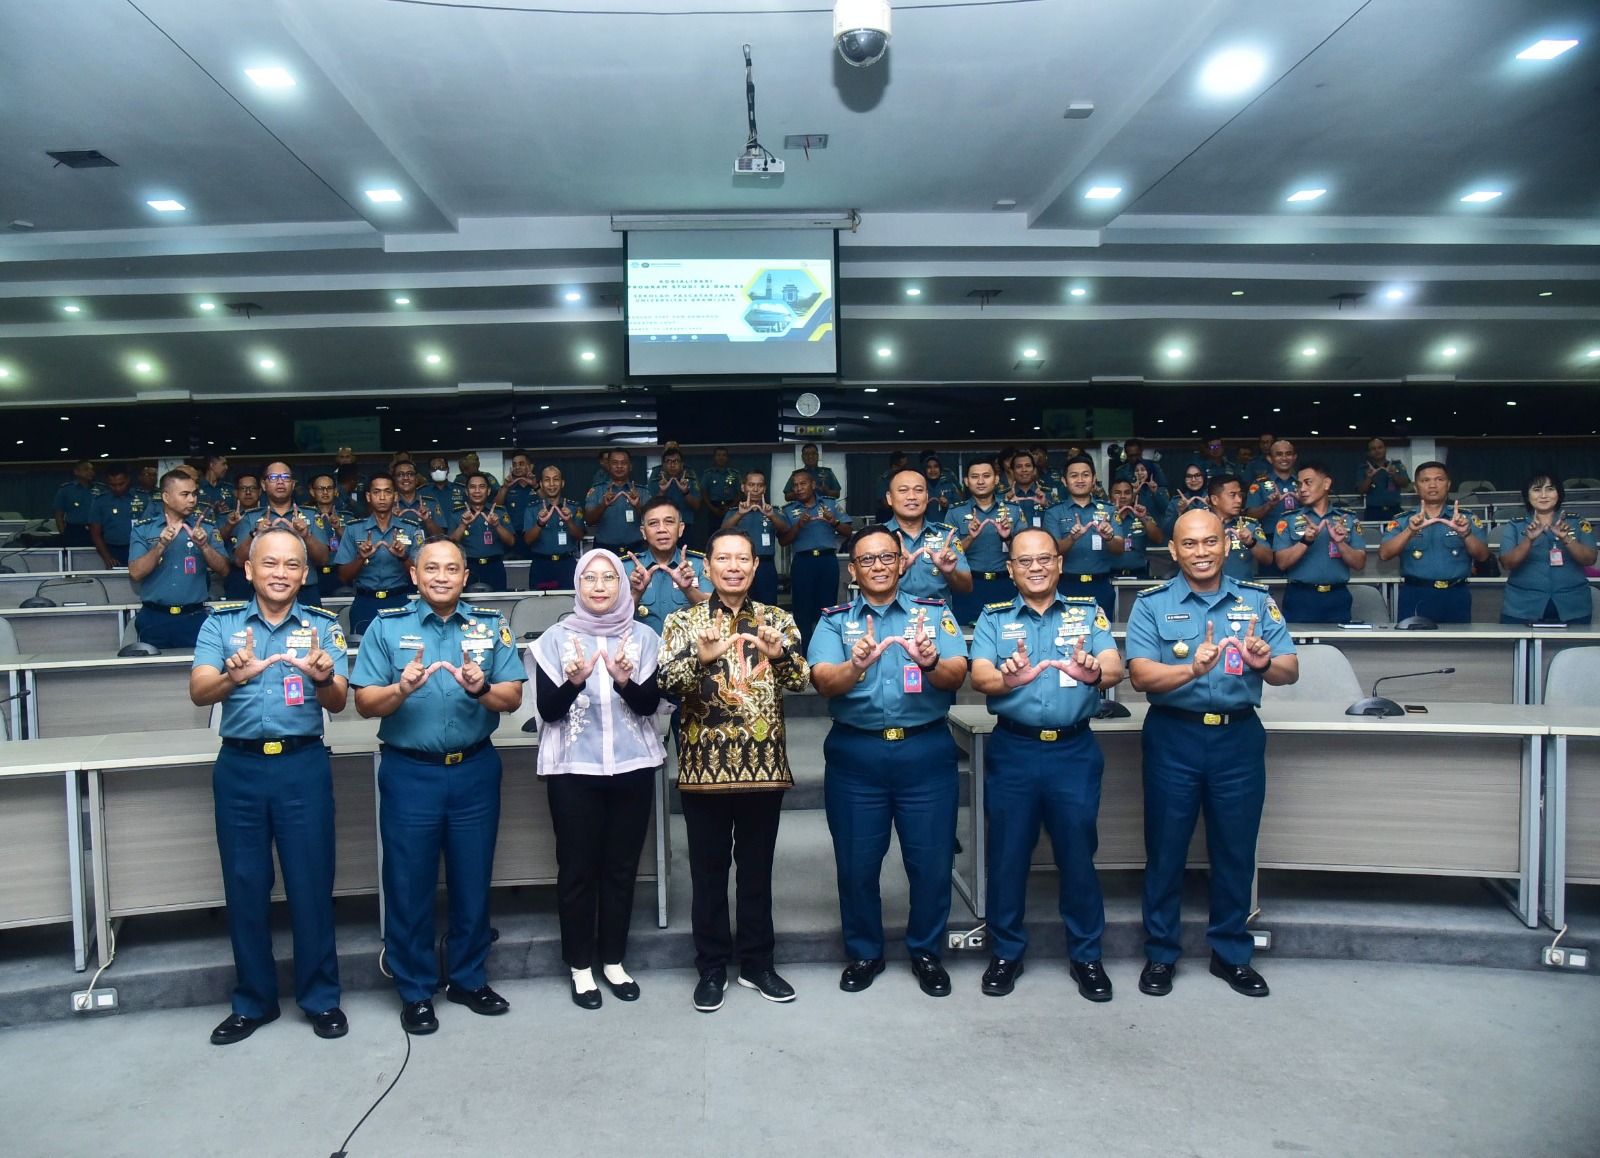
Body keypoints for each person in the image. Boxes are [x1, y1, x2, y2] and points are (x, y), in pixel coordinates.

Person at [351, 537, 526, 1034]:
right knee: (409, 884)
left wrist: (483, 688)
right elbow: (365, 704)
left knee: (473, 879)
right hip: (411, 773)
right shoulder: (386, 628)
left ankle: (469, 978)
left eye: (452, 569)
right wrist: (401, 688)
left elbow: (512, 698)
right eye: (432, 568)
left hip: (474, 769)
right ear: (414, 575)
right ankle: (414, 988)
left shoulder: (490, 626)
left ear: (465, 576)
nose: (442, 577)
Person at [1126, 509, 1298, 999]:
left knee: (1235, 849)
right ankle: (1160, 953)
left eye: (1210, 542)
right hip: (1173, 737)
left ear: (1227, 546)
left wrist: (1265, 664)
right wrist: (1191, 671)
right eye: (1189, 544)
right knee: (1165, 850)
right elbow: (1139, 676)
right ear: (1174, 550)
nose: (1200, 552)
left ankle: (1231, 953)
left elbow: (1289, 668)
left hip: (1238, 738)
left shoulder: (1257, 600)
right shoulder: (1151, 604)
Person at [189, 528, 349, 1045]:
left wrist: (324, 677)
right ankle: (254, 1001)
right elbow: (198, 692)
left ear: (305, 574)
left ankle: (321, 998)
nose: (280, 573)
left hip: (302, 766)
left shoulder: (324, 626)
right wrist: (234, 677)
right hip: (239, 769)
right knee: (245, 886)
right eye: (270, 564)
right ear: (250, 570)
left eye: (291, 565)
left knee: (310, 885)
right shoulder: (221, 624)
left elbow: (339, 702)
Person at [809, 526, 969, 998]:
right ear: (853, 571)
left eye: (886, 557)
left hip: (925, 751)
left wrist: (930, 661)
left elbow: (957, 673)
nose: (878, 566)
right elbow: (822, 681)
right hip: (857, 754)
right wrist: (854, 666)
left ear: (902, 563)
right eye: (866, 560)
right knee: (857, 863)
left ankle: (926, 950)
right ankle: (865, 951)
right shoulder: (835, 621)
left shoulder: (933, 614)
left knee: (932, 861)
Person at [968, 528, 1124, 999]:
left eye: (1044, 559)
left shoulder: (1087, 612)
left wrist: (1094, 673)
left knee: (1077, 854)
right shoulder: (993, 618)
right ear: (1010, 568)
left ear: (1059, 563)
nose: (1035, 567)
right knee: (1008, 855)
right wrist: (1006, 679)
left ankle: (1086, 956)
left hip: (1073, 752)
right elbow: (979, 677)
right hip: (1014, 751)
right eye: (1024, 561)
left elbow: (1116, 668)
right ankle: (1006, 953)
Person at [660, 528, 810, 1012]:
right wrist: (699, 659)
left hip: (763, 766)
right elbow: (665, 684)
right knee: (707, 874)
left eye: (742, 559)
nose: (732, 567)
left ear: (755, 566)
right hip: (704, 768)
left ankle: (758, 964)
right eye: (722, 558)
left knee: (756, 872)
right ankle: (710, 967)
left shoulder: (777, 619)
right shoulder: (683, 621)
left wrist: (778, 654)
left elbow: (801, 680)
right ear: (708, 568)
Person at [527, 549, 663, 1009]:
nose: (600, 586)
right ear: (577, 586)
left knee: (621, 870)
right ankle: (580, 966)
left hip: (632, 768)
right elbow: (547, 711)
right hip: (574, 772)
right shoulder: (555, 640)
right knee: (578, 870)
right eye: (591, 578)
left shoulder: (645, 637)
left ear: (623, 585)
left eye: (610, 577)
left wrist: (624, 680)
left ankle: (613, 960)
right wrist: (575, 681)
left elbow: (648, 707)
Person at [127, 470, 232, 648]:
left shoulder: (205, 528)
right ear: (166, 497)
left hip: (194, 617)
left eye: (194, 494)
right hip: (154, 618)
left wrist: (204, 546)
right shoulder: (144, 529)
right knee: (149, 674)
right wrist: (160, 545)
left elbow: (224, 570)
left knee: (199, 673)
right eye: (185, 494)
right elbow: (136, 573)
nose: (192, 499)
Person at [1378, 462, 1489, 623]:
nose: (1432, 485)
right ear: (1416, 487)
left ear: (1448, 484)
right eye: (1425, 480)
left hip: (1456, 594)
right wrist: (1410, 531)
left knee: (1458, 648)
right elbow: (1384, 554)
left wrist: (1465, 533)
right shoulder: (1402, 520)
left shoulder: (1466, 518)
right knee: (1415, 648)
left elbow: (1483, 555)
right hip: (1415, 594)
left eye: (1439, 479)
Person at [1271, 461, 1367, 623]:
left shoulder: (1348, 519)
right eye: (1299, 484)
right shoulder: (1288, 520)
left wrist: (1340, 543)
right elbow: (1281, 563)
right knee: (1301, 648)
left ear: (1326, 483)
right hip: (1300, 597)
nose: (1302, 489)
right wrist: (1305, 541)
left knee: (1341, 647)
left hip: (1337, 596)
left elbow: (1359, 564)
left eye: (1308, 483)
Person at [1498, 473, 1598, 625]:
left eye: (1550, 489)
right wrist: (1529, 540)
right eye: (1537, 490)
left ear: (1559, 494)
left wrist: (1566, 538)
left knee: (1573, 649)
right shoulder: (1515, 525)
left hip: (1573, 605)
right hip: (1522, 606)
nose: (1543, 495)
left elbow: (1590, 559)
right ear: (1527, 495)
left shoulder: (1577, 522)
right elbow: (1507, 563)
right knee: (1522, 649)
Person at [333, 474, 424, 634]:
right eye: (376, 492)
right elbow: (343, 576)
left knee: (402, 652)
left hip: (399, 600)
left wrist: (403, 557)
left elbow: (422, 575)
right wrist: (361, 558)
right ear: (368, 496)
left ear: (395, 496)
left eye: (387, 492)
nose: (382, 497)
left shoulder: (410, 528)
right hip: (364, 603)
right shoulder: (354, 529)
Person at [778, 468, 852, 649]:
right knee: (802, 611)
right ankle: (804, 655)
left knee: (827, 609)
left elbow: (848, 532)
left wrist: (833, 521)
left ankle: (827, 651)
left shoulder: (830, 504)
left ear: (812, 485)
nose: (799, 488)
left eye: (803, 484)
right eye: (795, 485)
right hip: (803, 563)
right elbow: (783, 541)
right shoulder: (788, 511)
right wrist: (799, 525)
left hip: (827, 562)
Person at [232, 463, 330, 593]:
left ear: (293, 484)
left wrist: (305, 536)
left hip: (304, 591)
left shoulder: (311, 515)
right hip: (263, 591)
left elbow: (323, 559)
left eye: (285, 477)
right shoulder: (250, 517)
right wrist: (256, 534)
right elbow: (239, 561)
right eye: (273, 477)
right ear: (263, 485)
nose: (280, 482)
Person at [1044, 455, 1123, 614]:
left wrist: (1109, 538)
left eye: (1085, 475)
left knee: (1103, 634)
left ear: (1094, 479)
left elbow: (1120, 548)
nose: (1080, 480)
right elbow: (1051, 551)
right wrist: (1072, 538)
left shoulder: (1108, 510)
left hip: (1100, 586)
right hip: (1066, 586)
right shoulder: (1054, 512)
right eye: (1074, 475)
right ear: (1064, 481)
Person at [947, 458, 1022, 624]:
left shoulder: (1013, 510)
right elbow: (947, 556)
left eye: (986, 476)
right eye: (975, 477)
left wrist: (1007, 537)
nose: (980, 481)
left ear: (996, 479)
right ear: (966, 481)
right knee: (967, 639)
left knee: (1009, 634)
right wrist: (970, 538)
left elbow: (1026, 554)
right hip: (969, 586)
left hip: (1005, 584)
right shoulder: (955, 512)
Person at [883, 468, 973, 604]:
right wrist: (899, 571)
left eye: (918, 490)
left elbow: (967, 587)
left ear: (926, 496)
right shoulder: (876, 537)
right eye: (903, 490)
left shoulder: (945, 536)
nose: (912, 496)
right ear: (890, 498)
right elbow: (862, 585)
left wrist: (949, 572)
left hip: (936, 620)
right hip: (888, 619)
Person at [623, 497, 708, 629]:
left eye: (669, 522)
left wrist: (688, 589)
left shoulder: (699, 565)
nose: (661, 529)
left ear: (680, 529)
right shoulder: (626, 568)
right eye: (653, 523)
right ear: (643, 532)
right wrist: (637, 592)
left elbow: (712, 614)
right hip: (643, 648)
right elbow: (613, 619)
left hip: (688, 649)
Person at [722, 470, 788, 606]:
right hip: (741, 565)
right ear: (743, 487)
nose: (755, 489)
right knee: (741, 605)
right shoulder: (734, 511)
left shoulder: (773, 510)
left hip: (765, 565)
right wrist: (739, 514)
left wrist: (771, 516)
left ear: (764, 488)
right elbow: (722, 532)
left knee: (768, 607)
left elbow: (784, 530)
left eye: (759, 485)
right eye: (751, 485)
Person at [522, 466, 586, 590]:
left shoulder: (573, 507)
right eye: (547, 480)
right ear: (541, 484)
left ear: (562, 483)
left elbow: (580, 536)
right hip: (541, 565)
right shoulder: (532, 508)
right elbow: (527, 540)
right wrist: (540, 523)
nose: (551, 484)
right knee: (538, 605)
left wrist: (569, 521)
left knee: (568, 604)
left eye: (556, 479)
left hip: (566, 564)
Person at [450, 472, 516, 590]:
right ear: (466, 491)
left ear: (488, 491)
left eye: (482, 487)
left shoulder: (499, 511)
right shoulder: (457, 514)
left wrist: (497, 525)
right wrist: (463, 525)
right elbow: (450, 545)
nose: (477, 491)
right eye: (472, 487)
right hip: (467, 567)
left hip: (494, 567)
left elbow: (511, 541)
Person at [1207, 475, 1273, 581]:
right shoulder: (1200, 525)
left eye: (1240, 495)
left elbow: (1268, 559)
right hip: (1208, 592)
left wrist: (1251, 543)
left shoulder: (1249, 525)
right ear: (1214, 500)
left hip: (1241, 593)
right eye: (1232, 495)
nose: (1239, 500)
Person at [585, 449, 644, 554]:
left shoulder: (641, 492)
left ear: (630, 466)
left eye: (623, 463)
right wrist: (603, 505)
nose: (619, 466)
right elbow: (589, 520)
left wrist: (637, 506)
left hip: (636, 549)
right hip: (604, 549)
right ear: (608, 466)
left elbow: (650, 520)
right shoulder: (597, 490)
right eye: (615, 463)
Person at [88, 463, 145, 567]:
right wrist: (106, 556)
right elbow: (95, 533)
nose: (117, 488)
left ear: (128, 479)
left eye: (121, 484)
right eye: (113, 485)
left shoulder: (143, 498)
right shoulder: (99, 501)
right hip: (112, 549)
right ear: (107, 482)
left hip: (140, 547)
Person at [1109, 478, 1166, 581]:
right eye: (1117, 493)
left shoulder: (1142, 514)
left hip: (1139, 576)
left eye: (1127, 493)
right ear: (1110, 496)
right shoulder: (1104, 517)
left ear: (1132, 497)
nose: (1122, 496)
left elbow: (1158, 539)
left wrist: (1143, 518)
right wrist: (1112, 514)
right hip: (1110, 576)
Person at [1354, 438, 1411, 522]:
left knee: (1396, 534)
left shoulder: (1397, 465)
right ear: (1369, 453)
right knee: (1373, 534)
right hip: (1373, 512)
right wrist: (1369, 477)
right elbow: (1360, 491)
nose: (1377, 450)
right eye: (1373, 449)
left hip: (1394, 510)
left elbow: (1405, 484)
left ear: (1385, 449)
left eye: (1380, 447)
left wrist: (1394, 474)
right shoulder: (1364, 469)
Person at [1244, 440, 1299, 524]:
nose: (1284, 458)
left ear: (1294, 457)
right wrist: (1269, 505)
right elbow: (1250, 515)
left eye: (1288, 454)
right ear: (1270, 459)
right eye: (1279, 454)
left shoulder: (1302, 482)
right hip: (1270, 536)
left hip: (1300, 535)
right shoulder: (1259, 484)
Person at [494, 450, 539, 551]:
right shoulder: (507, 487)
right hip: (512, 537)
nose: (517, 467)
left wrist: (535, 485)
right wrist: (505, 487)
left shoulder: (539, 486)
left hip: (535, 536)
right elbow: (495, 507)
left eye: (521, 464)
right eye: (514, 465)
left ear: (530, 466)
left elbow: (549, 501)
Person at [53, 459, 106, 547]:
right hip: (74, 531)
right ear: (76, 472)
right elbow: (59, 515)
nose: (90, 472)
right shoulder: (66, 490)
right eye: (86, 469)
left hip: (98, 530)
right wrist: (64, 535)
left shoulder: (102, 489)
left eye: (92, 469)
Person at [647, 445, 702, 522]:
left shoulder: (690, 481)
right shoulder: (655, 482)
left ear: (682, 464)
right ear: (663, 465)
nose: (672, 465)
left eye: (676, 461)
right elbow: (650, 508)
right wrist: (662, 491)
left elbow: (696, 506)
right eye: (668, 461)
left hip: (685, 524)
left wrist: (685, 492)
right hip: (662, 524)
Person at [1005, 451, 1059, 527]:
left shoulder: (1048, 494)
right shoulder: (1004, 497)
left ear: (1034, 470)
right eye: (1019, 466)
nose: (1024, 470)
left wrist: (1046, 505)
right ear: (1012, 472)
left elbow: (1060, 520)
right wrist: (1007, 504)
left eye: (1028, 465)